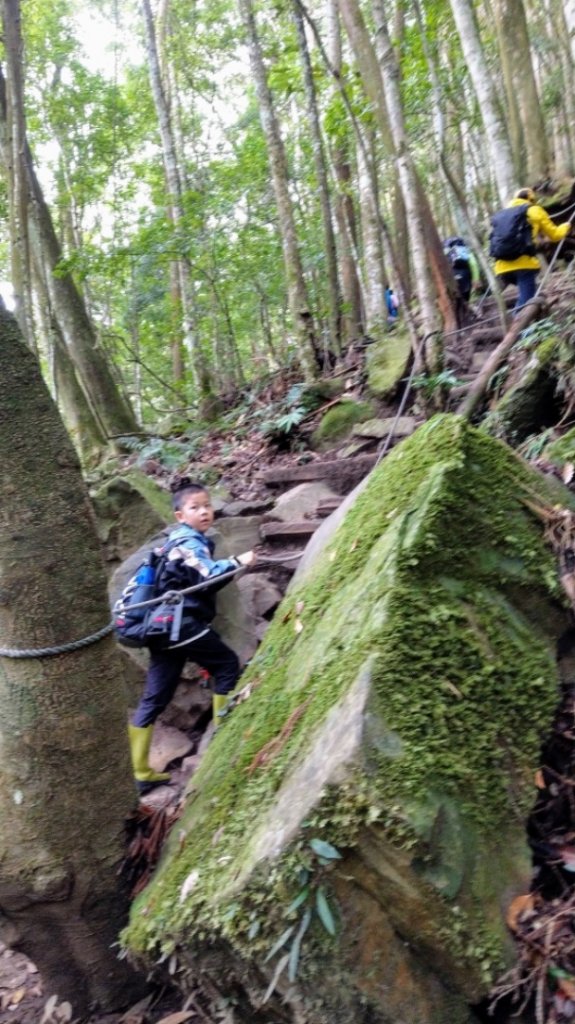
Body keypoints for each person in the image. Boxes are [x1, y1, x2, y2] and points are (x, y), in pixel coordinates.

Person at [128, 478, 257, 793]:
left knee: (155, 698)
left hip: (161, 628)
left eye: (207, 506)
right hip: (179, 625)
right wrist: (240, 560)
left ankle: (140, 772)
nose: (204, 512)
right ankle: (224, 744)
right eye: (195, 507)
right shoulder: (188, 540)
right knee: (226, 664)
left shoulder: (172, 542)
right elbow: (207, 575)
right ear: (179, 515)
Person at [492, 188, 572, 311]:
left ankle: (527, 321)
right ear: (531, 199)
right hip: (523, 264)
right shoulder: (535, 210)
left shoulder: (503, 214)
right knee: (526, 302)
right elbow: (555, 235)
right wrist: (566, 226)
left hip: (501, 266)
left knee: (528, 295)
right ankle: (519, 327)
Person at [443, 236, 481, 303]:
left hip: (453, 276)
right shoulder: (465, 250)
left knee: (456, 300)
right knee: (466, 299)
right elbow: (473, 264)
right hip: (466, 275)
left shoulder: (447, 253)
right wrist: (476, 279)